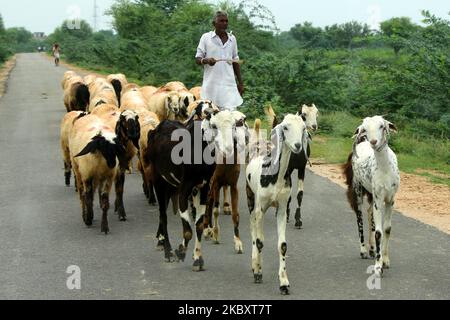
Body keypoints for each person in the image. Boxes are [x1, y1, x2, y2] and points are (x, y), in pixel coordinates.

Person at [195, 11, 244, 111]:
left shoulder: (232, 39)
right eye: (221, 21)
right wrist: (206, 60)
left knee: (229, 119)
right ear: (214, 23)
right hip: (211, 88)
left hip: (228, 88)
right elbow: (197, 59)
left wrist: (240, 83)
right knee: (209, 120)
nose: (224, 23)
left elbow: (235, 62)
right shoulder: (206, 38)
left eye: (226, 21)